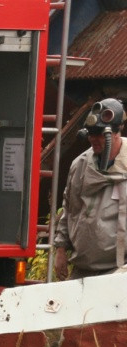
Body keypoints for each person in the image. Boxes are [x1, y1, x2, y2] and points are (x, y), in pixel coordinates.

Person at [53, 97, 127, 280]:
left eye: (100, 134)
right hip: (82, 268)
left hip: (119, 270)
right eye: (91, 134)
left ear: (117, 132)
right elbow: (69, 209)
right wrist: (61, 250)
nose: (93, 139)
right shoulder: (80, 165)